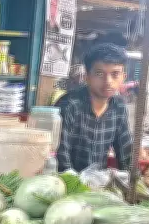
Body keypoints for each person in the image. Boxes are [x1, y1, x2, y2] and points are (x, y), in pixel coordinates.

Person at [56, 43, 132, 173]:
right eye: (99, 74)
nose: (108, 81)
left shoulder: (119, 108)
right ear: (87, 76)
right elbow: (61, 156)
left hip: (96, 183)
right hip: (65, 184)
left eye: (115, 74)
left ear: (123, 77)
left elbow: (126, 154)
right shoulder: (69, 105)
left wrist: (131, 182)